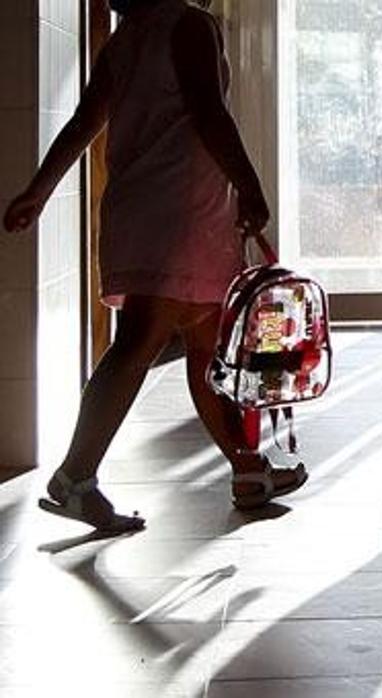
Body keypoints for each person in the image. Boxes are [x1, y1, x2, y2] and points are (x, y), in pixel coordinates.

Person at [1, 0, 305, 532]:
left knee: (205, 345)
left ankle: (246, 468)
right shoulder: (187, 25)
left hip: (147, 208)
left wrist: (38, 191)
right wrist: (251, 187)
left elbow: (84, 122)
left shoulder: (126, 39)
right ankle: (75, 476)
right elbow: (210, 112)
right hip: (182, 210)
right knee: (142, 341)